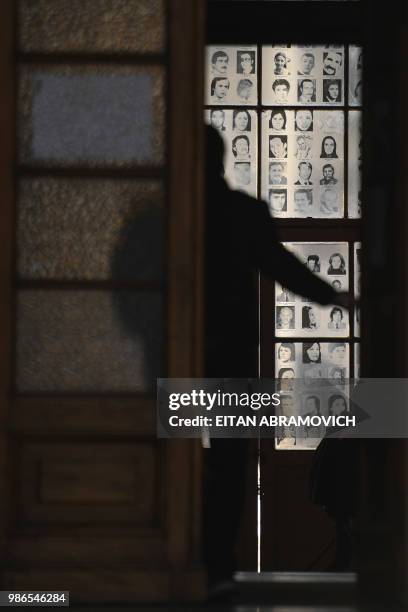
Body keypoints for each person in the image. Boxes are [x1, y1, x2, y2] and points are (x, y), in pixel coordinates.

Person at [203, 126, 348, 592]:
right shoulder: (242, 213)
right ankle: (218, 563)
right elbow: (281, 265)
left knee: (181, 460)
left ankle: (186, 557)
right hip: (233, 359)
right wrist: (333, 297)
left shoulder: (168, 214)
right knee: (229, 464)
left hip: (177, 356)